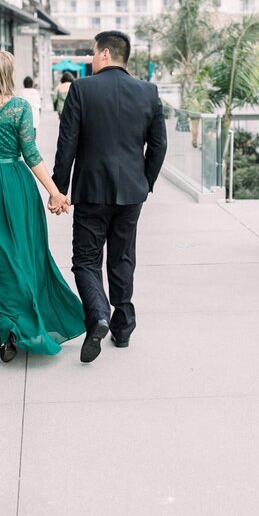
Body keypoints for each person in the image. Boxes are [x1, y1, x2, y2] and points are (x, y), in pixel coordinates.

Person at [0, 50, 85, 363]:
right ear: (8, 74)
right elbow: (31, 153)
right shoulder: (20, 108)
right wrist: (55, 193)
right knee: (25, 257)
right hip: (16, 184)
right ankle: (17, 325)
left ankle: (4, 325)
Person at [52, 31, 168, 363]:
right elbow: (158, 145)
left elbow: (67, 144)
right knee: (122, 256)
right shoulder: (148, 92)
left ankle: (99, 315)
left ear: (104, 53)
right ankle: (123, 326)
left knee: (86, 261)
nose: (90, 59)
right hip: (131, 191)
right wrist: (144, 183)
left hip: (91, 190)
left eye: (91, 53)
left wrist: (60, 189)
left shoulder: (82, 89)